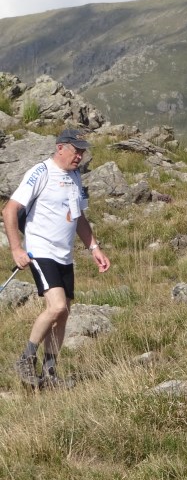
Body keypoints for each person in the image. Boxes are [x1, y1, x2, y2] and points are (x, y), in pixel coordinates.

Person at [2, 128, 111, 390]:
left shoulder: (75, 176)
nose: (80, 157)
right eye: (76, 151)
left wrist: (94, 247)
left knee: (64, 314)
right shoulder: (41, 172)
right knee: (57, 307)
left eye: (83, 152)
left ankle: (50, 375)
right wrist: (17, 249)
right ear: (60, 147)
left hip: (65, 254)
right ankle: (26, 359)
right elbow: (10, 209)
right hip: (40, 250)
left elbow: (79, 217)